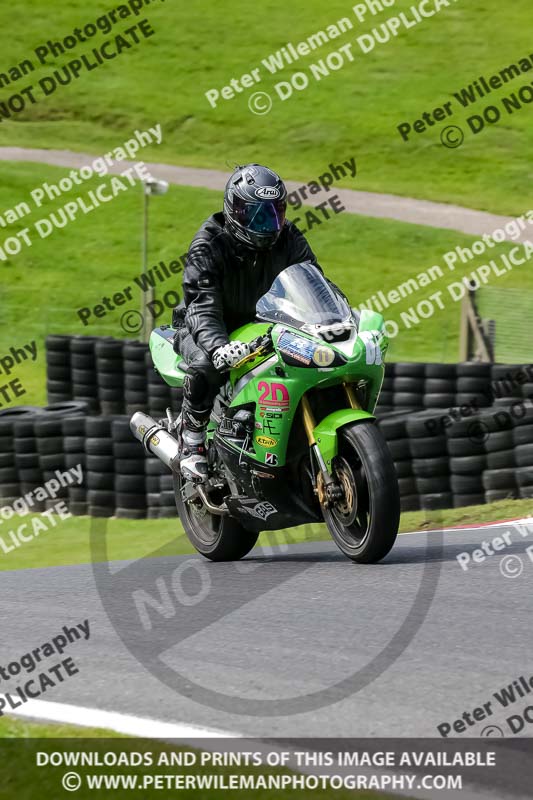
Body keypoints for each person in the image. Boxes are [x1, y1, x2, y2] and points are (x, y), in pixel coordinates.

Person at [174, 163, 322, 480]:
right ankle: (192, 439)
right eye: (257, 215)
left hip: (265, 324)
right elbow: (202, 305)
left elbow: (314, 282)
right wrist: (218, 347)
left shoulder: (289, 238)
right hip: (208, 329)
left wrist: (335, 317)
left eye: (274, 213)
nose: (268, 223)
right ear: (235, 211)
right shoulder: (209, 245)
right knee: (206, 364)